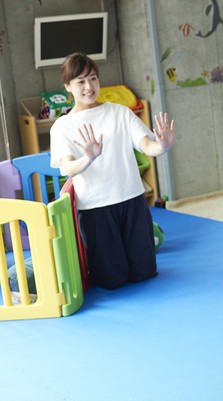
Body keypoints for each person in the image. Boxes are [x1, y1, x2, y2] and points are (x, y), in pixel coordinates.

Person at [49, 52, 174, 290]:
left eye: (93, 78)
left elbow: (147, 145)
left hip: (132, 199)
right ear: (68, 86)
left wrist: (163, 146)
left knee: (144, 273)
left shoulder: (120, 112)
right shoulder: (62, 127)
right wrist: (89, 158)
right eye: (81, 81)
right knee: (112, 280)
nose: (89, 87)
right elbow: (68, 167)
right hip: (95, 208)